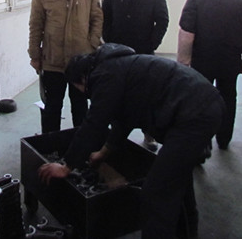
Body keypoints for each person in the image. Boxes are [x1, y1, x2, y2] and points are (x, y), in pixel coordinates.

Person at [38, 43, 224, 239]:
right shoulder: (118, 68)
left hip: (194, 115)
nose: (85, 93)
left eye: (80, 89)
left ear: (82, 79)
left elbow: (94, 123)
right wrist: (103, 153)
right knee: (176, 180)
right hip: (203, 105)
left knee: (155, 193)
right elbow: (124, 120)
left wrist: (67, 166)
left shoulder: (104, 76)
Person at [178, 0, 242, 152]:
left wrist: (183, 62)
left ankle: (202, 141)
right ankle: (224, 139)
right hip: (230, 61)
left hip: (202, 61)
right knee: (228, 98)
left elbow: (186, 35)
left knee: (200, 100)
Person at [28, 0, 103, 133]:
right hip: (53, 60)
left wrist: (92, 44)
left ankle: (81, 144)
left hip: (81, 60)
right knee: (52, 107)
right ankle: (51, 145)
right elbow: (35, 25)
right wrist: (34, 54)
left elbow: (97, 17)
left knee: (80, 106)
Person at [102, 0, 169, 151]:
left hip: (144, 52)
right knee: (118, 93)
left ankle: (149, 132)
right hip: (118, 52)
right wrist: (109, 42)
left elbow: (162, 20)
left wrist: (152, 44)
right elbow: (105, 17)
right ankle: (116, 134)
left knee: (146, 93)